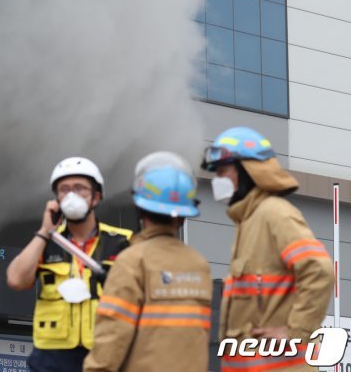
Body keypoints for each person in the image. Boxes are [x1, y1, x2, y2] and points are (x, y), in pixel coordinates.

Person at [202, 126, 334, 372]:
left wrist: (296, 332)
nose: (217, 180)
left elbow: (319, 269)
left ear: (247, 171)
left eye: (222, 171)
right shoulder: (249, 221)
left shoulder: (275, 214)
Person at [83, 152, 212, 372]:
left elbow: (112, 336)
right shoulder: (199, 264)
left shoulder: (132, 260)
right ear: (182, 216)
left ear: (140, 208)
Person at [6, 157, 133, 372]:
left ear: (96, 196)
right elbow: (16, 280)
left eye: (80, 188)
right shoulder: (45, 242)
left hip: (105, 355)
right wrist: (45, 231)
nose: (71, 195)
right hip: (52, 359)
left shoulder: (122, 242)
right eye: (64, 189)